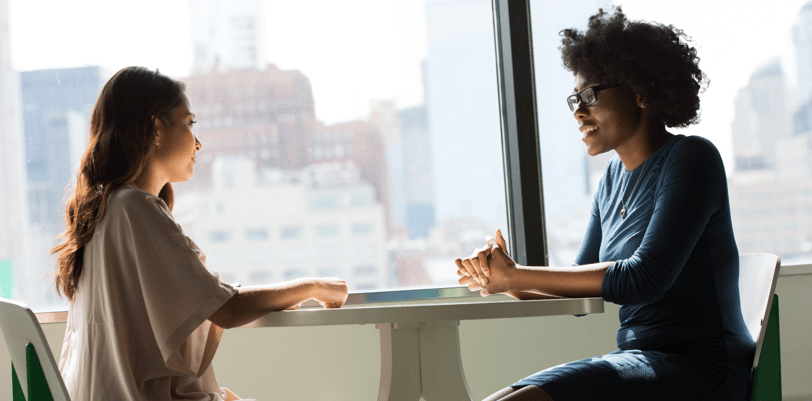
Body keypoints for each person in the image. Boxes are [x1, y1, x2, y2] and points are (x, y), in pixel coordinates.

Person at [455, 8, 753, 401]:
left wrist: (518, 275)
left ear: (641, 91)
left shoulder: (692, 158)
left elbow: (644, 277)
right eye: (574, 98)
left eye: (591, 95)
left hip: (702, 368)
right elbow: (582, 294)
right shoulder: (611, 181)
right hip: (638, 360)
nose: (579, 112)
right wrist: (502, 281)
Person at [52, 66, 349, 401]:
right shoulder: (135, 209)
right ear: (156, 128)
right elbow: (225, 308)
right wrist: (312, 286)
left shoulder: (102, 211)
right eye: (190, 123)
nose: (199, 142)